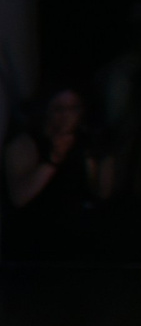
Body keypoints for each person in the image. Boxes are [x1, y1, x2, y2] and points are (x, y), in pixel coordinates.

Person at [5, 86, 109, 245]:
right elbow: (19, 198)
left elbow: (102, 194)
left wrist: (97, 157)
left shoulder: (86, 144)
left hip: (77, 238)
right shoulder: (24, 143)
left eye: (74, 108)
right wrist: (54, 159)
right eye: (59, 108)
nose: (67, 115)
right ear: (46, 110)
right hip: (34, 236)